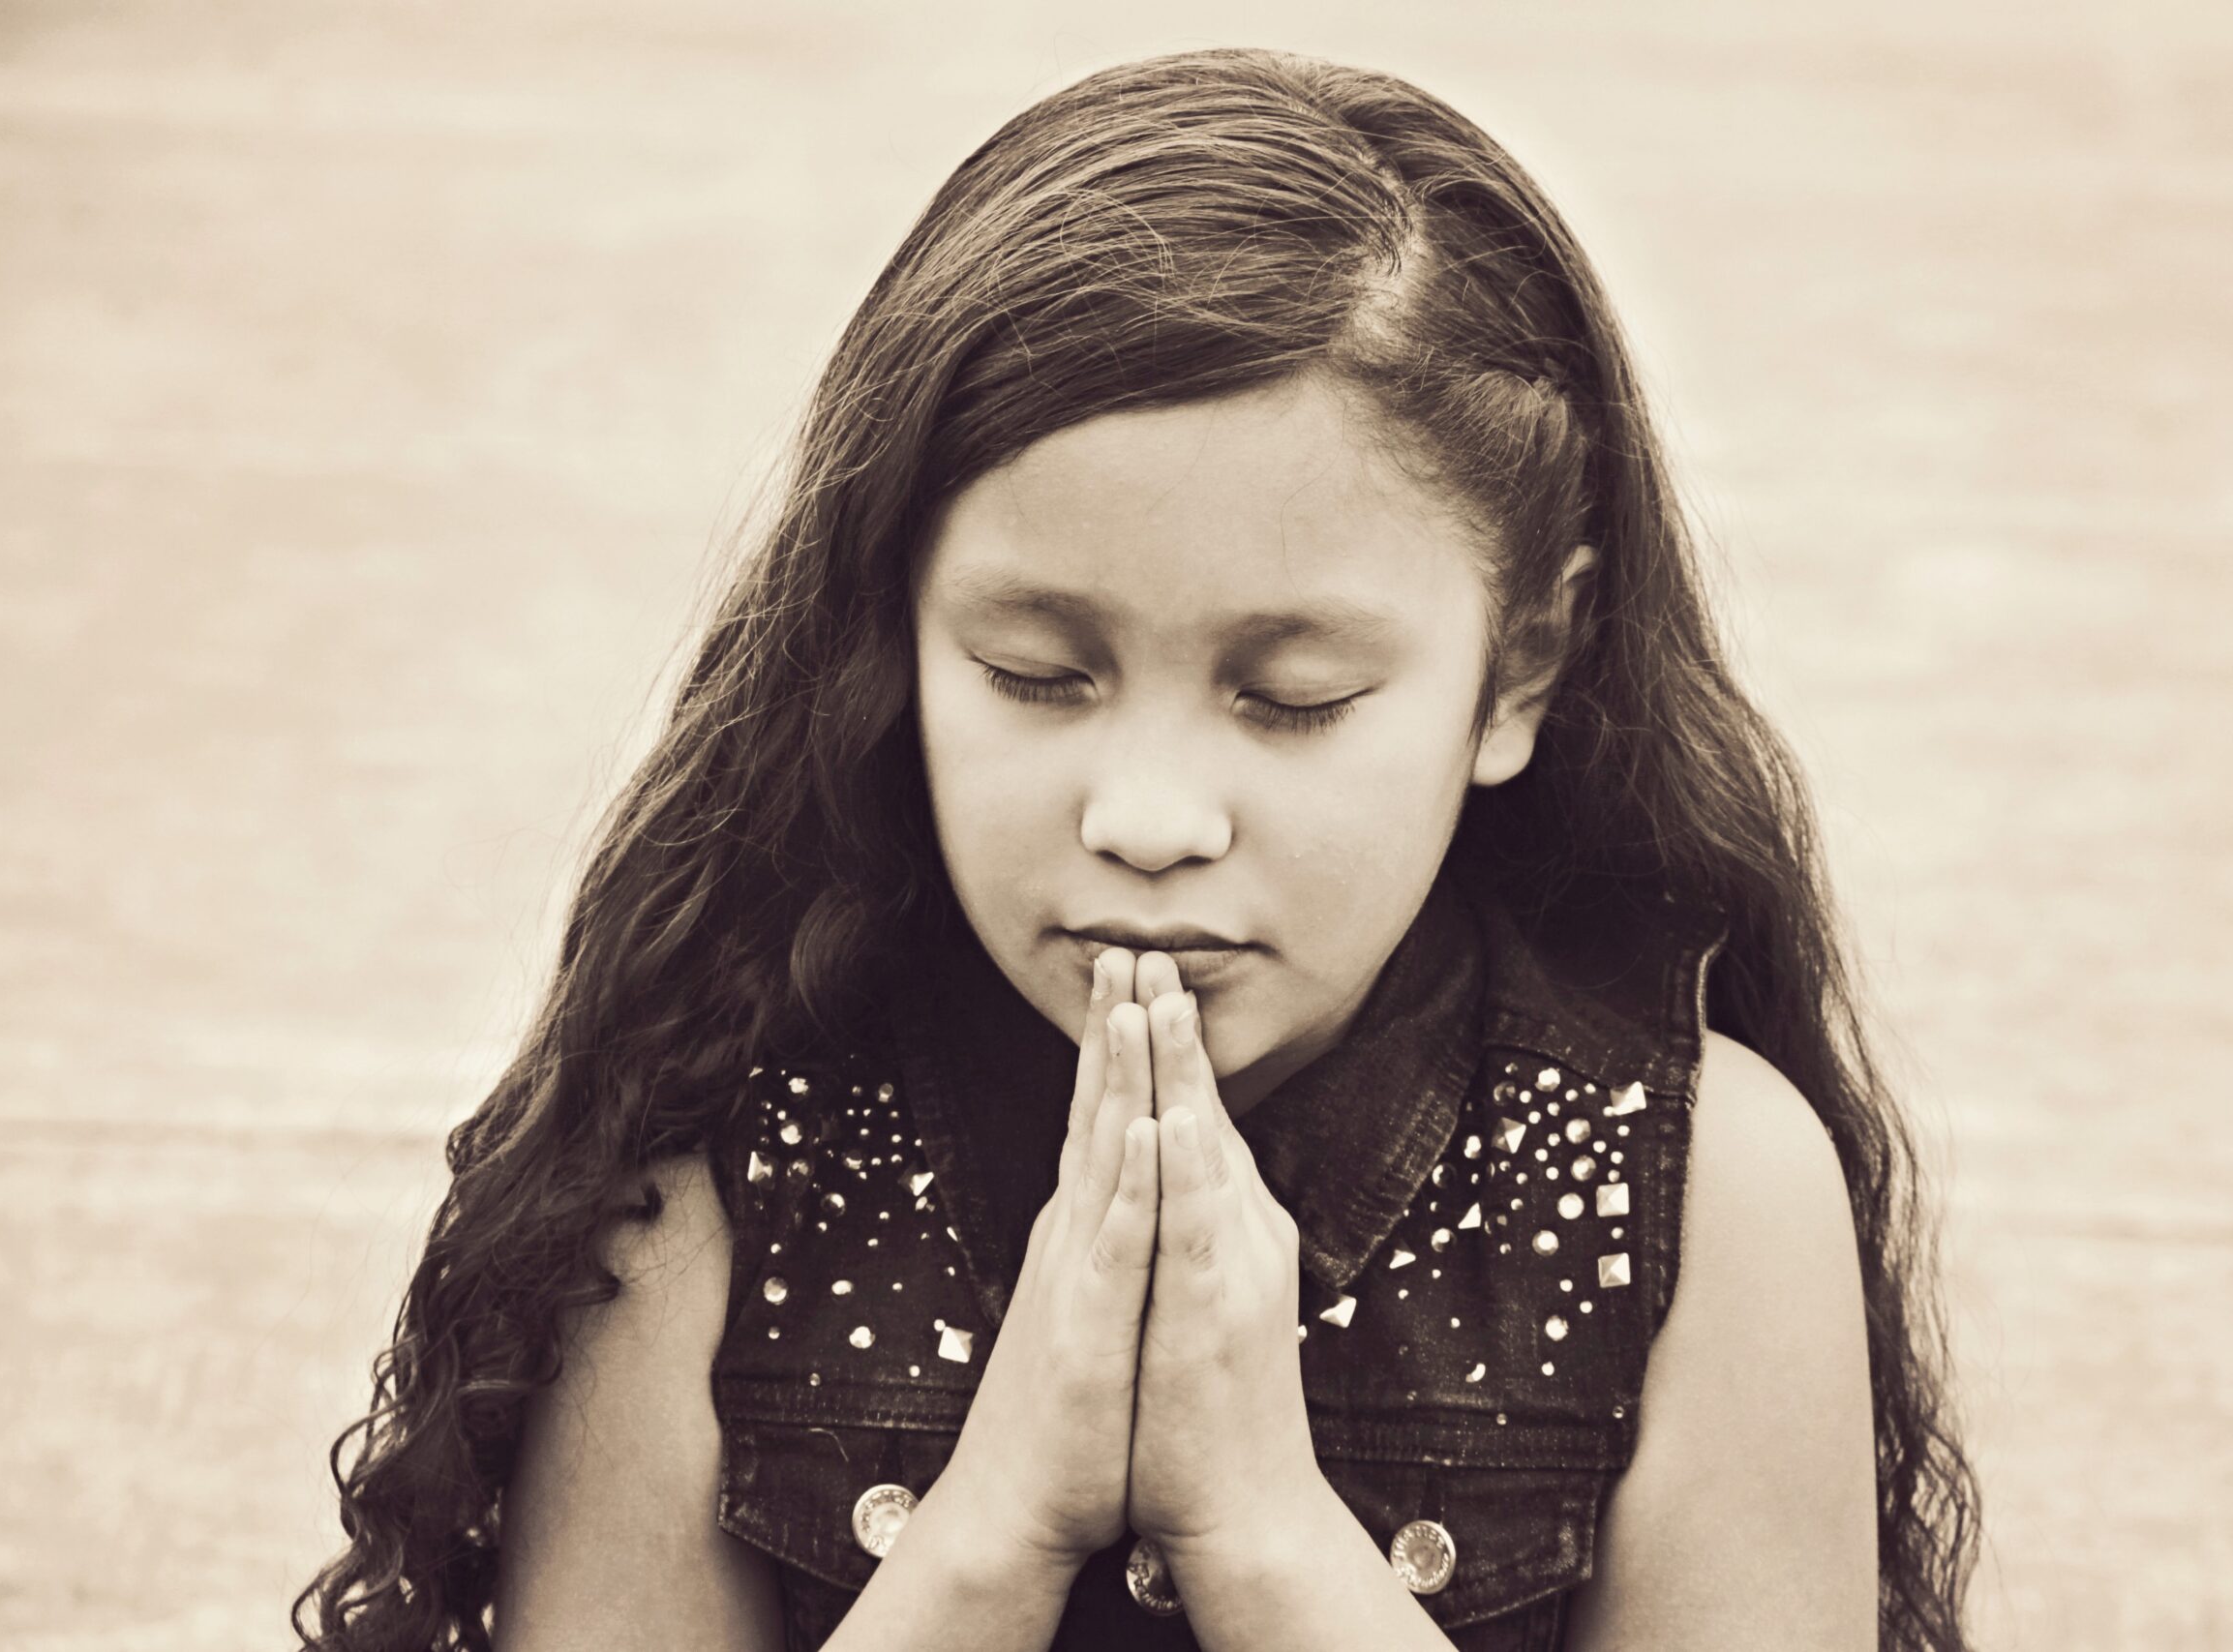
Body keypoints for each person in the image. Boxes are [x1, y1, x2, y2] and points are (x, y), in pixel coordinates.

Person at [293, 45, 1978, 1652]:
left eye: (1292, 697)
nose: (1148, 820)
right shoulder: (715, 1180)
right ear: (893, 635)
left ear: (1520, 666)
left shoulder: (1698, 1197)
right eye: (1038, 677)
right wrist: (996, 1525)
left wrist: (1260, 1531)